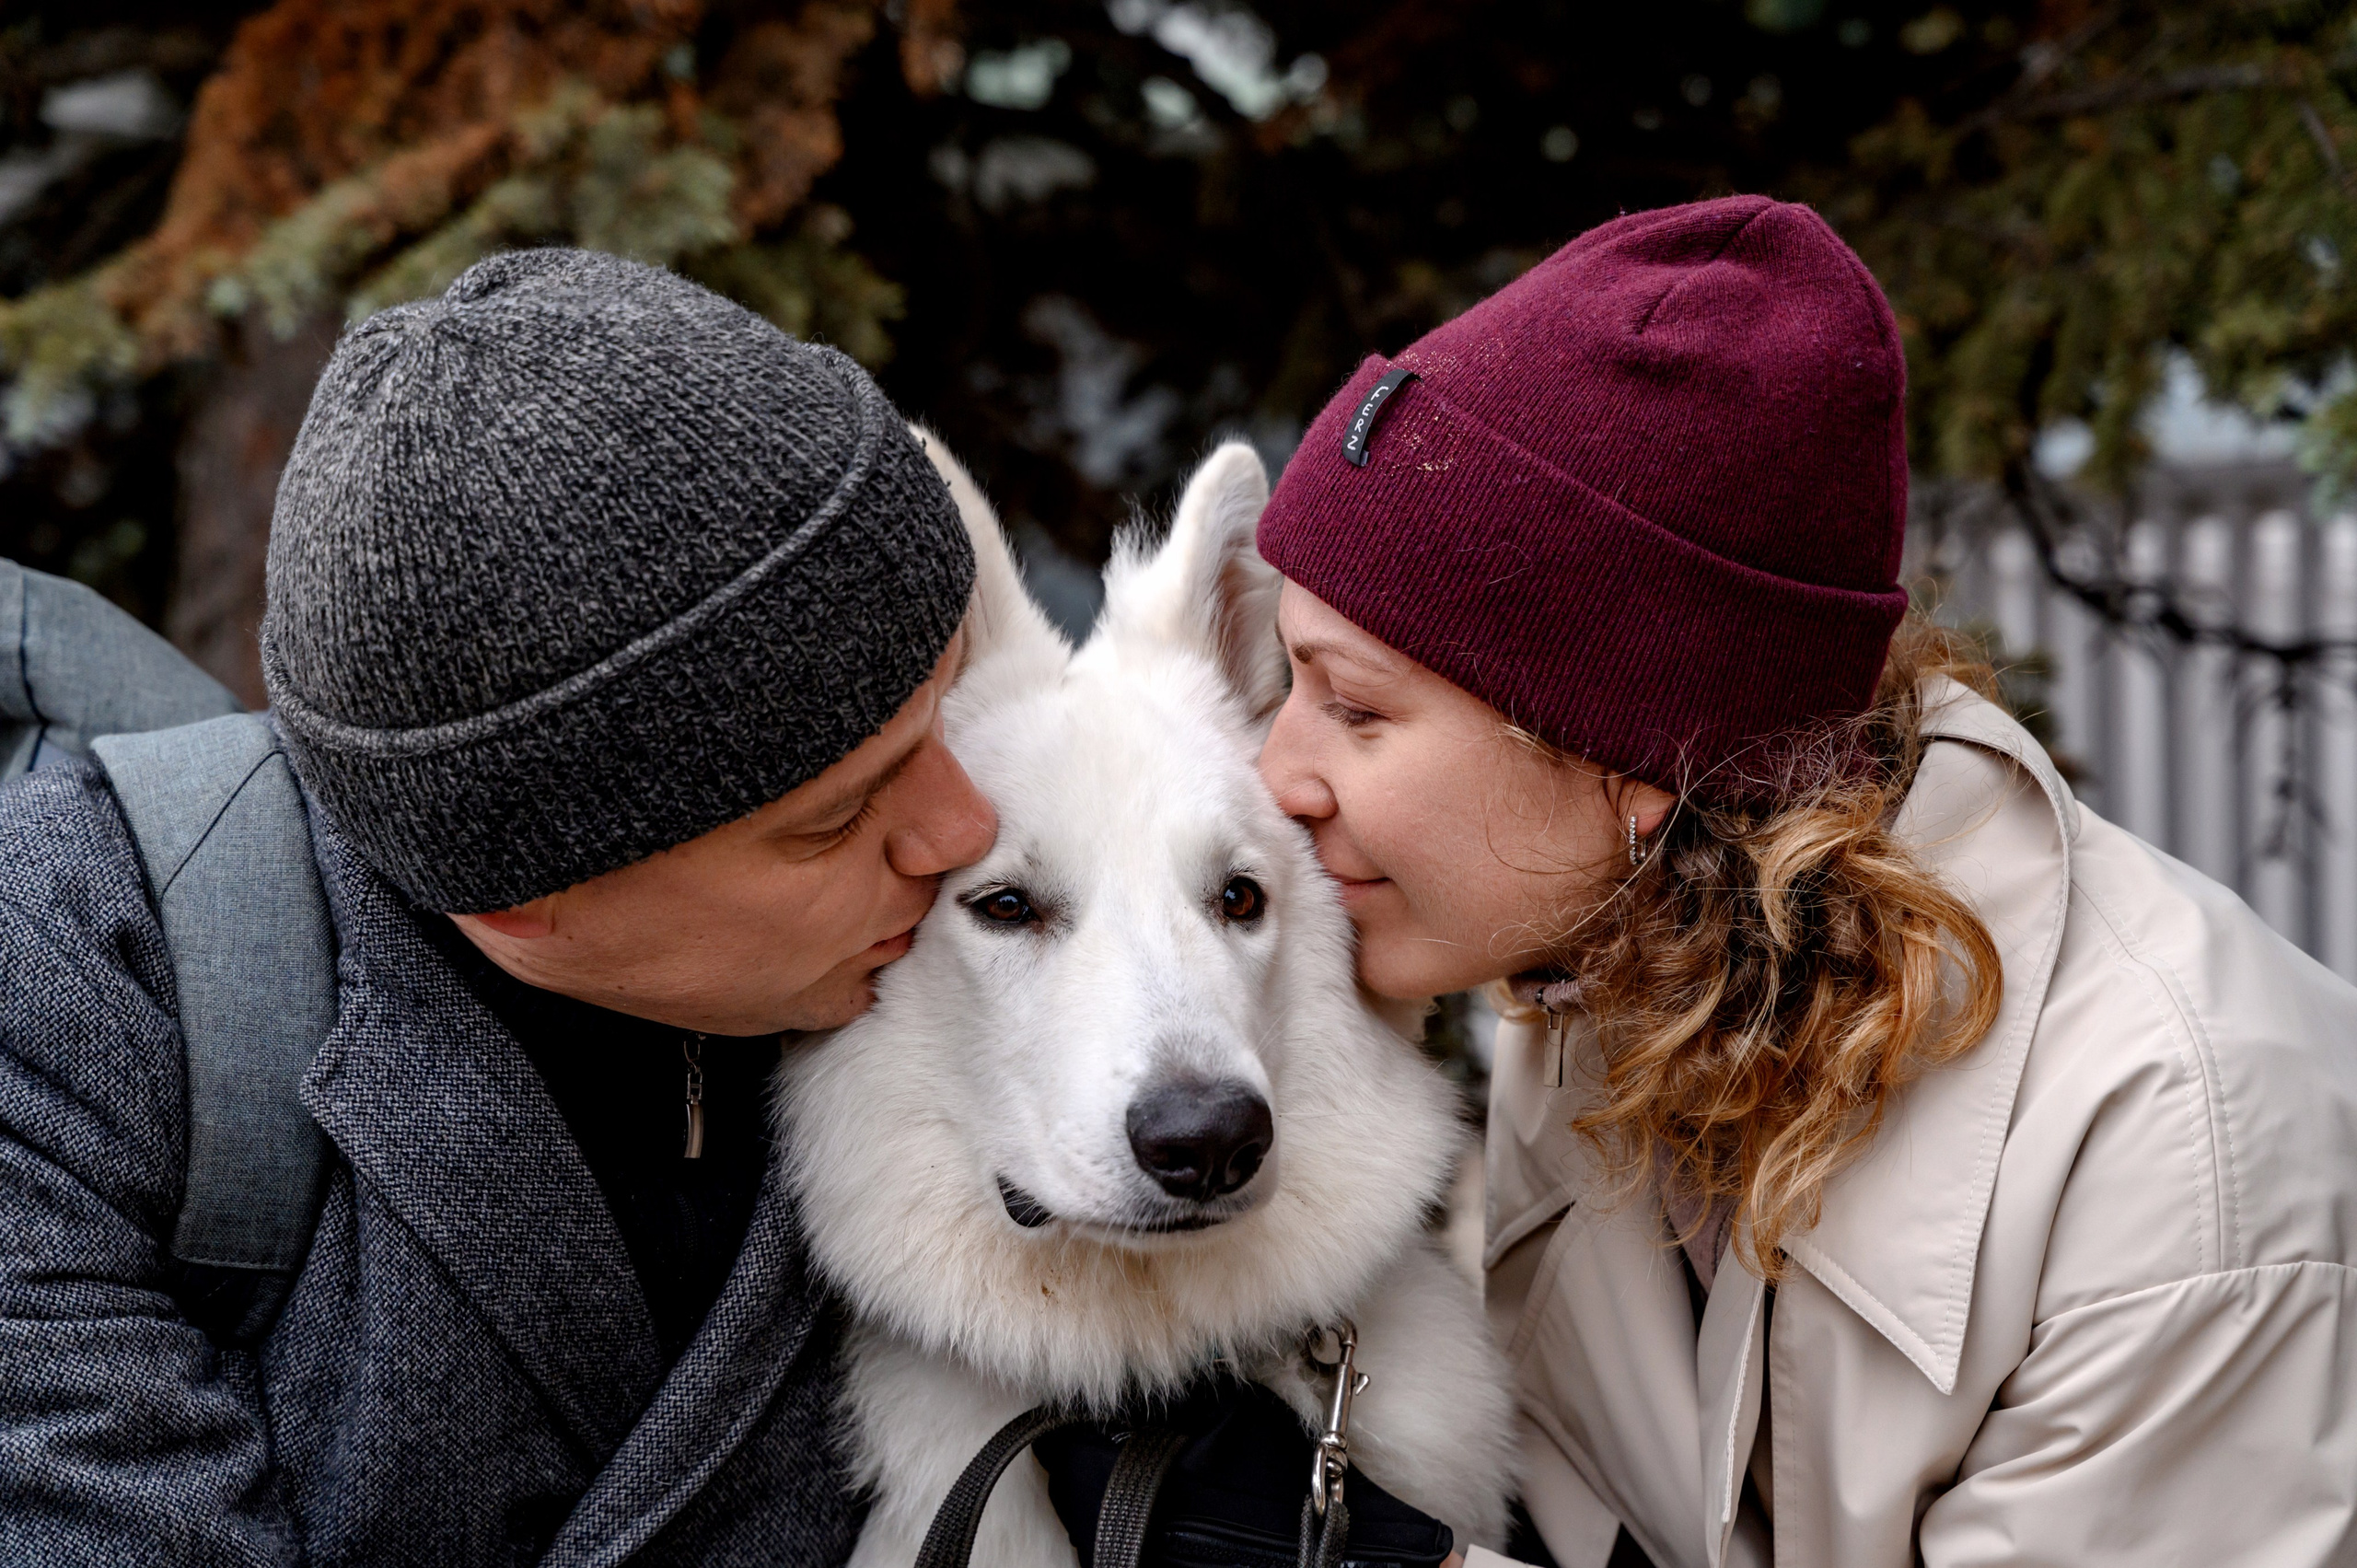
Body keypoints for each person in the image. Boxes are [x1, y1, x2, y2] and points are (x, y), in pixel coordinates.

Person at [1248, 195, 2357, 1566]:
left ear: (1633, 756)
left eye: (1353, 710)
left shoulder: (2178, 1148)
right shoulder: (1609, 961)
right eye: (1286, 681)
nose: (1273, 775)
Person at [0, 250, 995, 1564]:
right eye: (834, 818)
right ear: (523, 898)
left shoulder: (1022, 931)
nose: (966, 830)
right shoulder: (70, 999)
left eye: (947, 711)